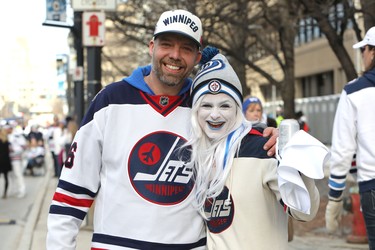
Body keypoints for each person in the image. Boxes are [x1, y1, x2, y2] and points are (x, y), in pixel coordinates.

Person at [46, 9, 278, 249]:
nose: (175, 55)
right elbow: (71, 194)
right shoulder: (111, 100)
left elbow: (240, 137)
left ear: (198, 57)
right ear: (152, 47)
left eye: (186, 49)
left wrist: (270, 135)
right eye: (166, 44)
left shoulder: (206, 106)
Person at [186, 47, 320, 249]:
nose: (214, 115)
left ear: (238, 110)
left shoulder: (263, 148)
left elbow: (304, 211)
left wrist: (297, 161)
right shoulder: (196, 155)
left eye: (224, 106)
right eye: (206, 106)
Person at [325, 26, 375, 249]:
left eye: (363, 49)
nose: (363, 55)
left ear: (372, 52)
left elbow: (344, 149)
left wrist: (335, 197)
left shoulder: (354, 92)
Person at [7, 121, 27, 197]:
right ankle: (13, 189)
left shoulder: (17, 135)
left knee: (18, 174)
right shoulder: (6, 136)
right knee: (11, 175)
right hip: (9, 159)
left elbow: (23, 146)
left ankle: (22, 190)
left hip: (16, 158)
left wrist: (14, 150)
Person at [0, 126, 12, 199]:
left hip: (2, 161)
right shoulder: (6, 140)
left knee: (5, 177)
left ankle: (5, 193)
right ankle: (5, 192)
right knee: (6, 177)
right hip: (6, 160)